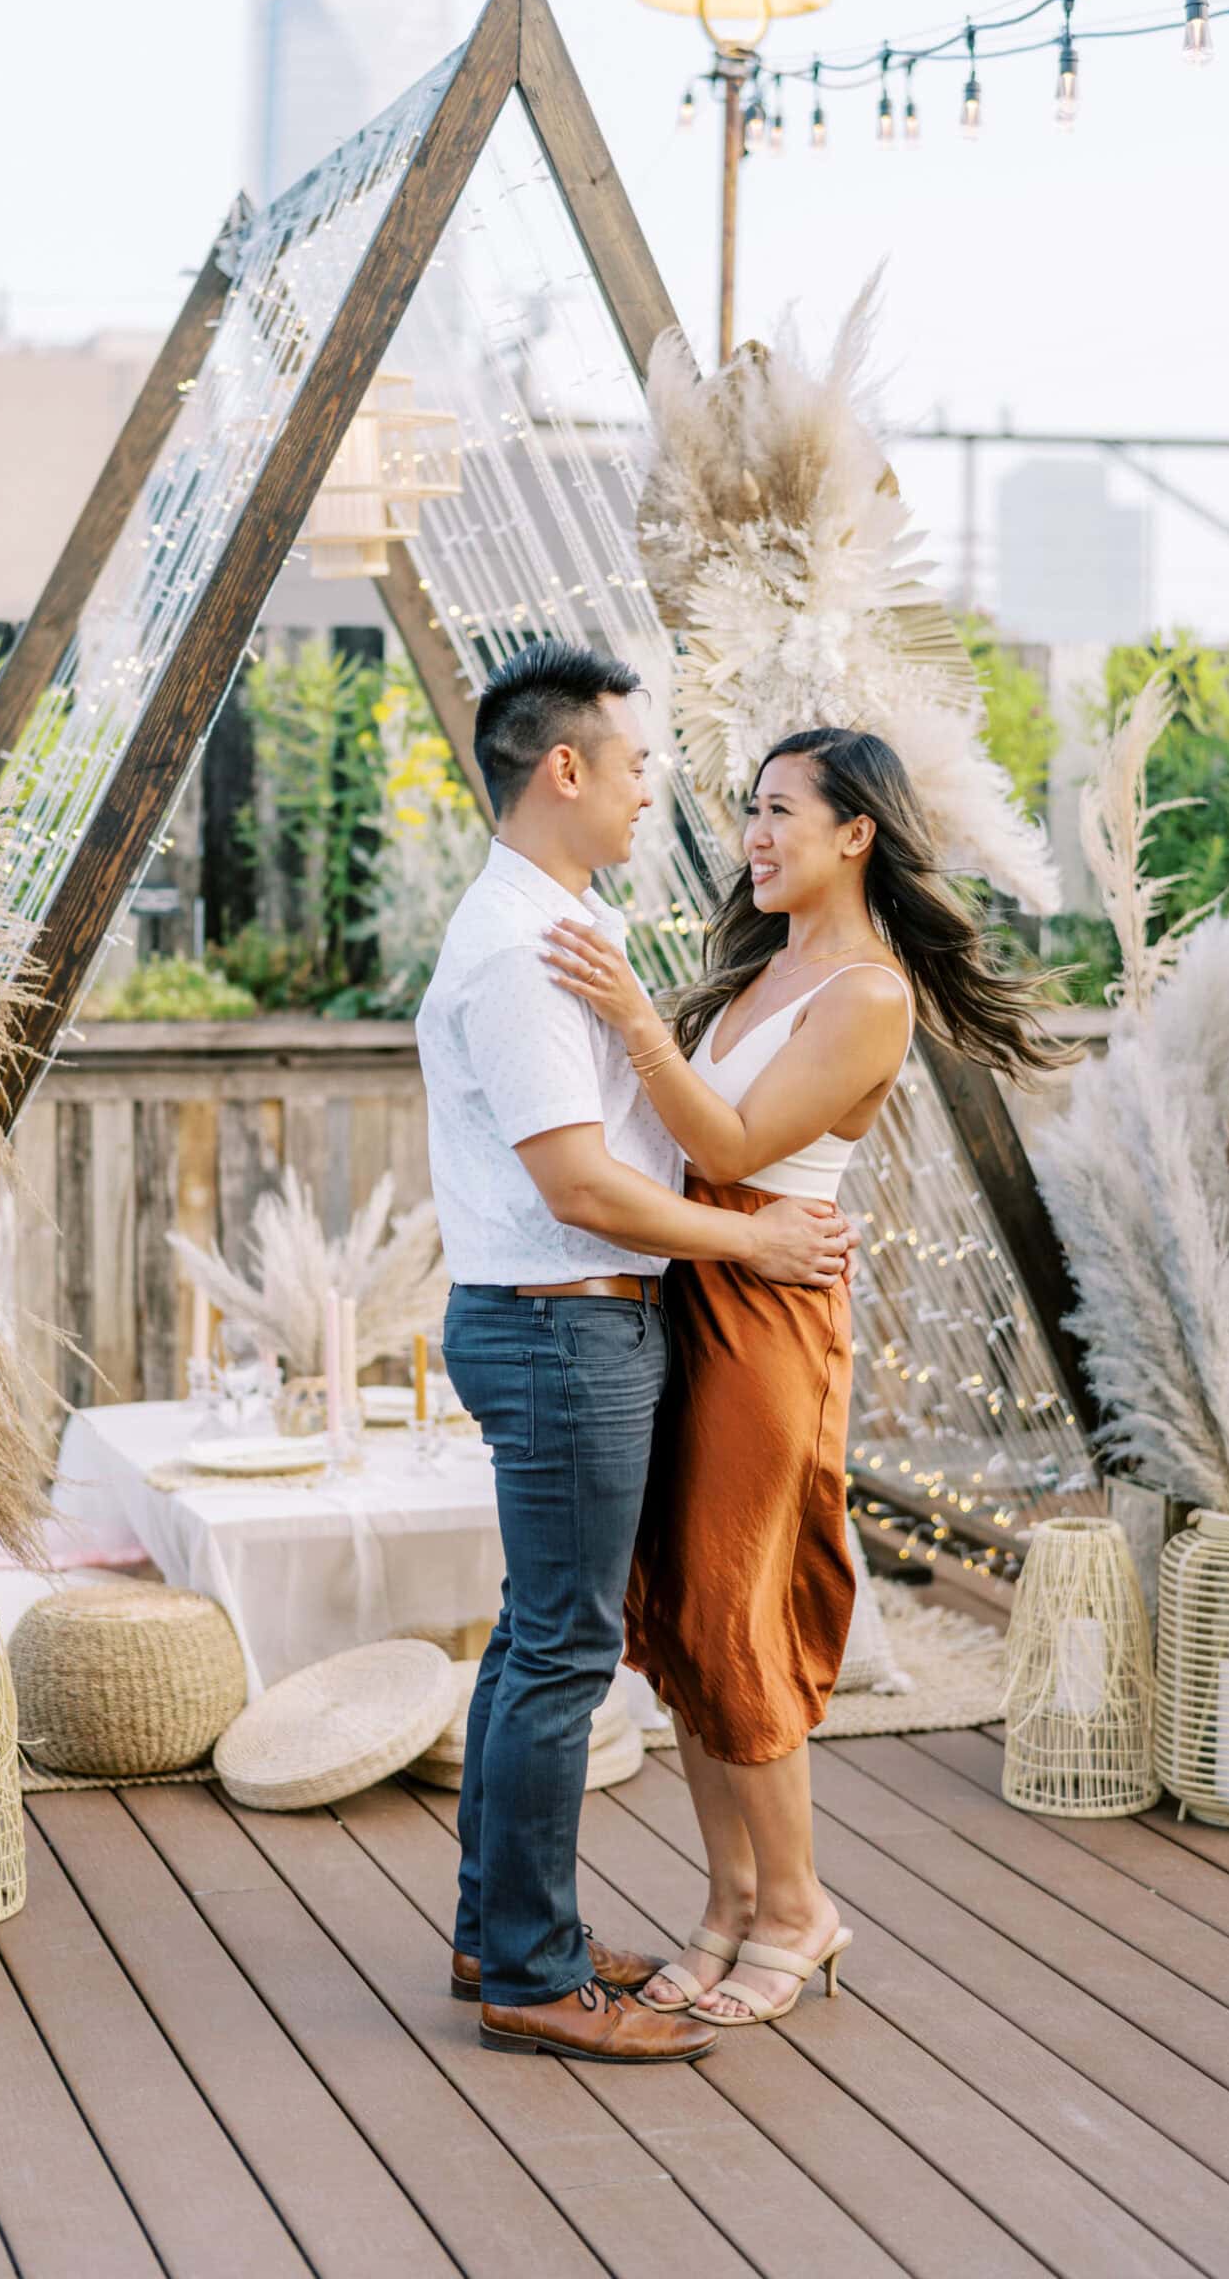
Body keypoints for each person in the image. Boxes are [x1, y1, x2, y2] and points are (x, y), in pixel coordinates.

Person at [542, 724, 1058, 2026]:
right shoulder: (762, 971)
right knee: (677, 1624)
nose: (754, 837)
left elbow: (728, 1134)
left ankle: (802, 1909)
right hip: (688, 1289)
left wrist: (627, 1014)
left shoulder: (869, 996)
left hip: (765, 1327)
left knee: (737, 1614)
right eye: (748, 813)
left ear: (856, 833)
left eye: (780, 811)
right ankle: (727, 1907)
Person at [417, 642, 853, 2066]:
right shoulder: (526, 952)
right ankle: (535, 1975)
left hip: (572, 1321)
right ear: (565, 770)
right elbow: (584, 1188)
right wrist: (754, 1247)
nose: (653, 791)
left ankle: (503, 1928)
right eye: (638, 764)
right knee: (561, 1649)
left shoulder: (556, 929)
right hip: (564, 1321)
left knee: (536, 1638)